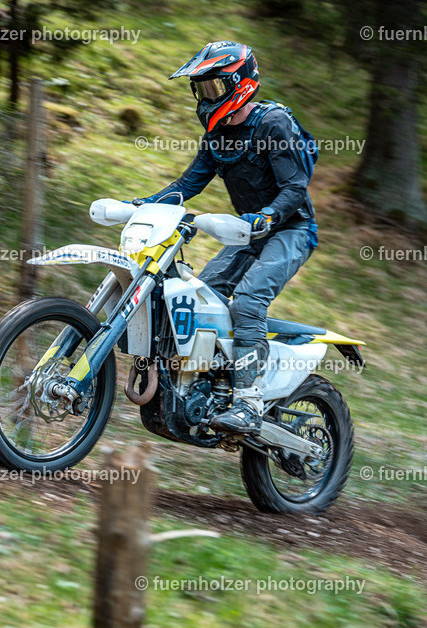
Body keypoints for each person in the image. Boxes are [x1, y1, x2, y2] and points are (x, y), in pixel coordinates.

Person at [132, 40, 317, 435]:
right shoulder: (217, 137)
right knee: (203, 293)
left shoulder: (273, 124)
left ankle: (249, 402)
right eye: (200, 89)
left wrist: (268, 216)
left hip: (291, 230)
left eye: (213, 87)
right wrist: (143, 205)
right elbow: (187, 185)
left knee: (248, 301)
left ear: (240, 83)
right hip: (247, 232)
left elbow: (296, 188)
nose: (205, 97)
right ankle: (213, 387)